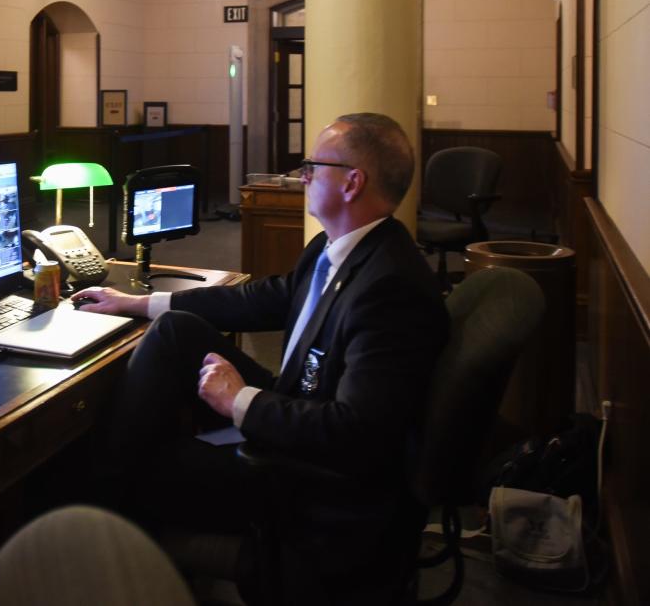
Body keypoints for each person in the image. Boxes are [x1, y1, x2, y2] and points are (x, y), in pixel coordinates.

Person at [74, 112, 448, 601]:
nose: (303, 175)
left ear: (353, 183)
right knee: (176, 331)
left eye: (314, 166)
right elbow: (261, 298)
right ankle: (112, 480)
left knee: (140, 467)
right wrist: (137, 303)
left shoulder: (390, 287)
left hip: (312, 484)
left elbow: (355, 435)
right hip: (297, 410)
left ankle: (95, 515)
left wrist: (240, 401)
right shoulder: (335, 248)